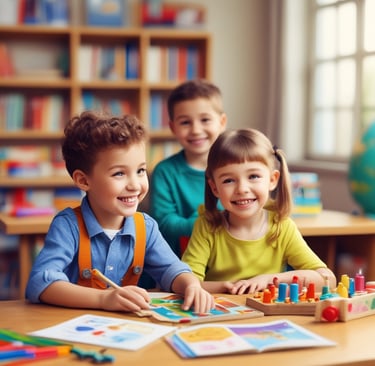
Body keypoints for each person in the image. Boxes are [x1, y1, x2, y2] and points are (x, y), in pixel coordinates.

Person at [25, 111, 214, 314]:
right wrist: (103, 299)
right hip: (74, 328)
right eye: (119, 173)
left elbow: (171, 269)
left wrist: (191, 285)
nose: (135, 185)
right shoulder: (68, 226)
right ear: (83, 181)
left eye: (140, 171)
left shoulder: (146, 227)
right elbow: (40, 282)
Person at [182, 128, 337, 294]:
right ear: (215, 188)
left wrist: (269, 280)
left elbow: (327, 279)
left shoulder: (282, 227)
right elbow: (186, 282)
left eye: (253, 176)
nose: (242, 189)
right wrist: (228, 287)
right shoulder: (206, 226)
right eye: (228, 180)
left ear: (272, 180)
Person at [149, 79, 227, 258]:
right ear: (172, 127)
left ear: (222, 122)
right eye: (185, 122)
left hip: (228, 258)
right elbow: (165, 224)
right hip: (182, 262)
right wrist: (211, 222)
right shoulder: (165, 172)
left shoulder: (236, 167)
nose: (196, 130)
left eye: (205, 120)